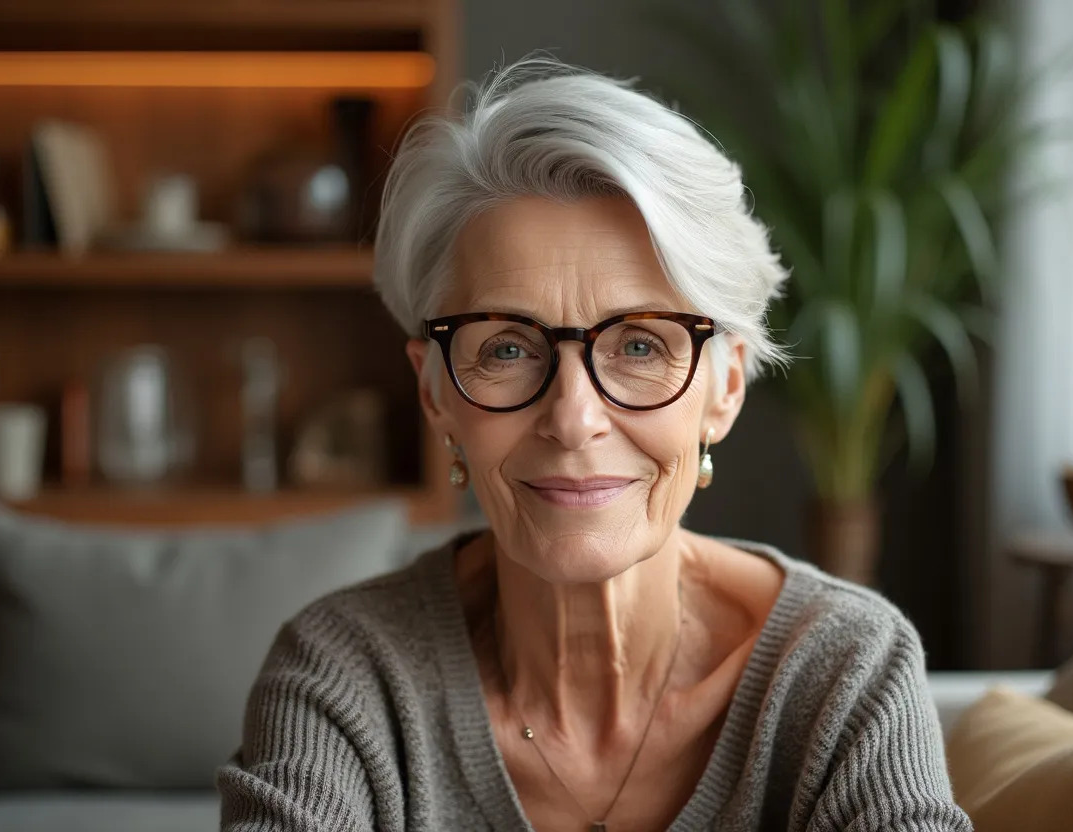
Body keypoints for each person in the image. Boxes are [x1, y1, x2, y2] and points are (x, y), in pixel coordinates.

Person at [217, 56, 972, 832]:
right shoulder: (344, 675)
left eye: (641, 347)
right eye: (507, 348)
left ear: (726, 390)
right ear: (436, 392)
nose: (574, 418)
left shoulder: (843, 671)